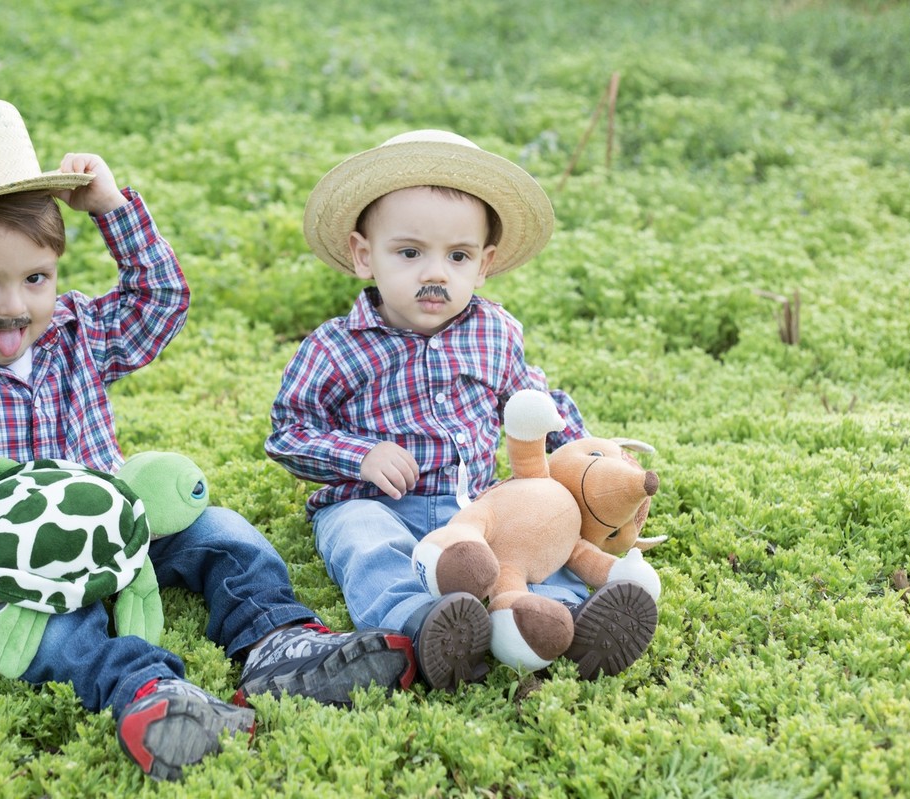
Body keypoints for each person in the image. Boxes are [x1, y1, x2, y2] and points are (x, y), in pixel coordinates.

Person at [0, 97, 416, 782]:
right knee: (56, 628)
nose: (14, 305)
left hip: (111, 528)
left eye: (35, 278)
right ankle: (148, 692)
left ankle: (279, 643)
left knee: (224, 533)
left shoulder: (76, 332)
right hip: (6, 571)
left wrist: (113, 209)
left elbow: (160, 301)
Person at [266, 130, 657, 690]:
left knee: (539, 533)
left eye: (457, 256)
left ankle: (560, 621)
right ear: (362, 255)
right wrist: (360, 455)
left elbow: (536, 408)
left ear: (484, 264)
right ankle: (423, 625)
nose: (434, 273)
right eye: (409, 252)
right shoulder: (335, 347)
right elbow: (288, 431)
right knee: (363, 540)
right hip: (378, 502)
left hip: (478, 504)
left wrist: (593, 467)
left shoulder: (494, 332)